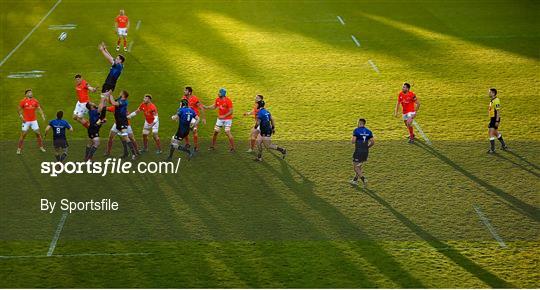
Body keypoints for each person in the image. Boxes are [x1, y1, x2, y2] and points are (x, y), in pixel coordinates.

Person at [98, 42, 125, 123]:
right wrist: (106, 50)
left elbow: (109, 59)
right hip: (109, 85)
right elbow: (111, 58)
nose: (115, 59)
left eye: (117, 58)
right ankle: (103, 117)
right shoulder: (119, 65)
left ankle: (100, 118)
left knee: (102, 101)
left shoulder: (118, 65)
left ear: (120, 61)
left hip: (109, 85)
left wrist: (102, 50)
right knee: (105, 101)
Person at [108, 90, 138, 159]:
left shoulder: (123, 102)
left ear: (123, 95)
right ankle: (126, 153)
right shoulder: (119, 99)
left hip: (122, 121)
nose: (119, 93)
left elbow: (113, 103)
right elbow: (111, 102)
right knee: (120, 137)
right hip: (118, 122)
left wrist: (110, 94)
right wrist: (107, 95)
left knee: (125, 137)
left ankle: (134, 154)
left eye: (121, 93)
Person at [17, 89, 46, 154]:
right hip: (26, 121)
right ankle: (19, 148)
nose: (31, 93)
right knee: (23, 135)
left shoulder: (35, 101)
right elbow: (18, 110)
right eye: (29, 92)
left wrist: (42, 115)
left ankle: (41, 147)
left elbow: (39, 108)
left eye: (31, 92)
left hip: (34, 121)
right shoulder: (23, 101)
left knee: (38, 134)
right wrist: (22, 117)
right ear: (26, 94)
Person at [350, 118, 374, 188]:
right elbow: (372, 142)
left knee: (355, 167)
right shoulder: (369, 131)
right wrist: (367, 147)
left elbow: (353, 141)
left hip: (358, 151)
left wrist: (353, 139)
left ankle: (364, 179)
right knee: (359, 166)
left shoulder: (356, 130)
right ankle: (355, 180)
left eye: (358, 122)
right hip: (365, 152)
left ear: (360, 123)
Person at [182, 87, 205, 151]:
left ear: (189, 92)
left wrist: (203, 118)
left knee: (194, 131)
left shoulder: (194, 99)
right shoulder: (183, 98)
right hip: (186, 117)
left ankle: (196, 146)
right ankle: (187, 144)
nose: (184, 91)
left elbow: (201, 108)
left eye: (186, 90)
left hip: (194, 118)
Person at [487, 88, 508, 153]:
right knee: (495, 133)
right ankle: (504, 145)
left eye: (490, 92)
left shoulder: (496, 100)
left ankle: (492, 149)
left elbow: (498, 111)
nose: (488, 93)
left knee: (490, 133)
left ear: (493, 93)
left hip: (495, 118)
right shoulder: (492, 100)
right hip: (493, 118)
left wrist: (497, 121)